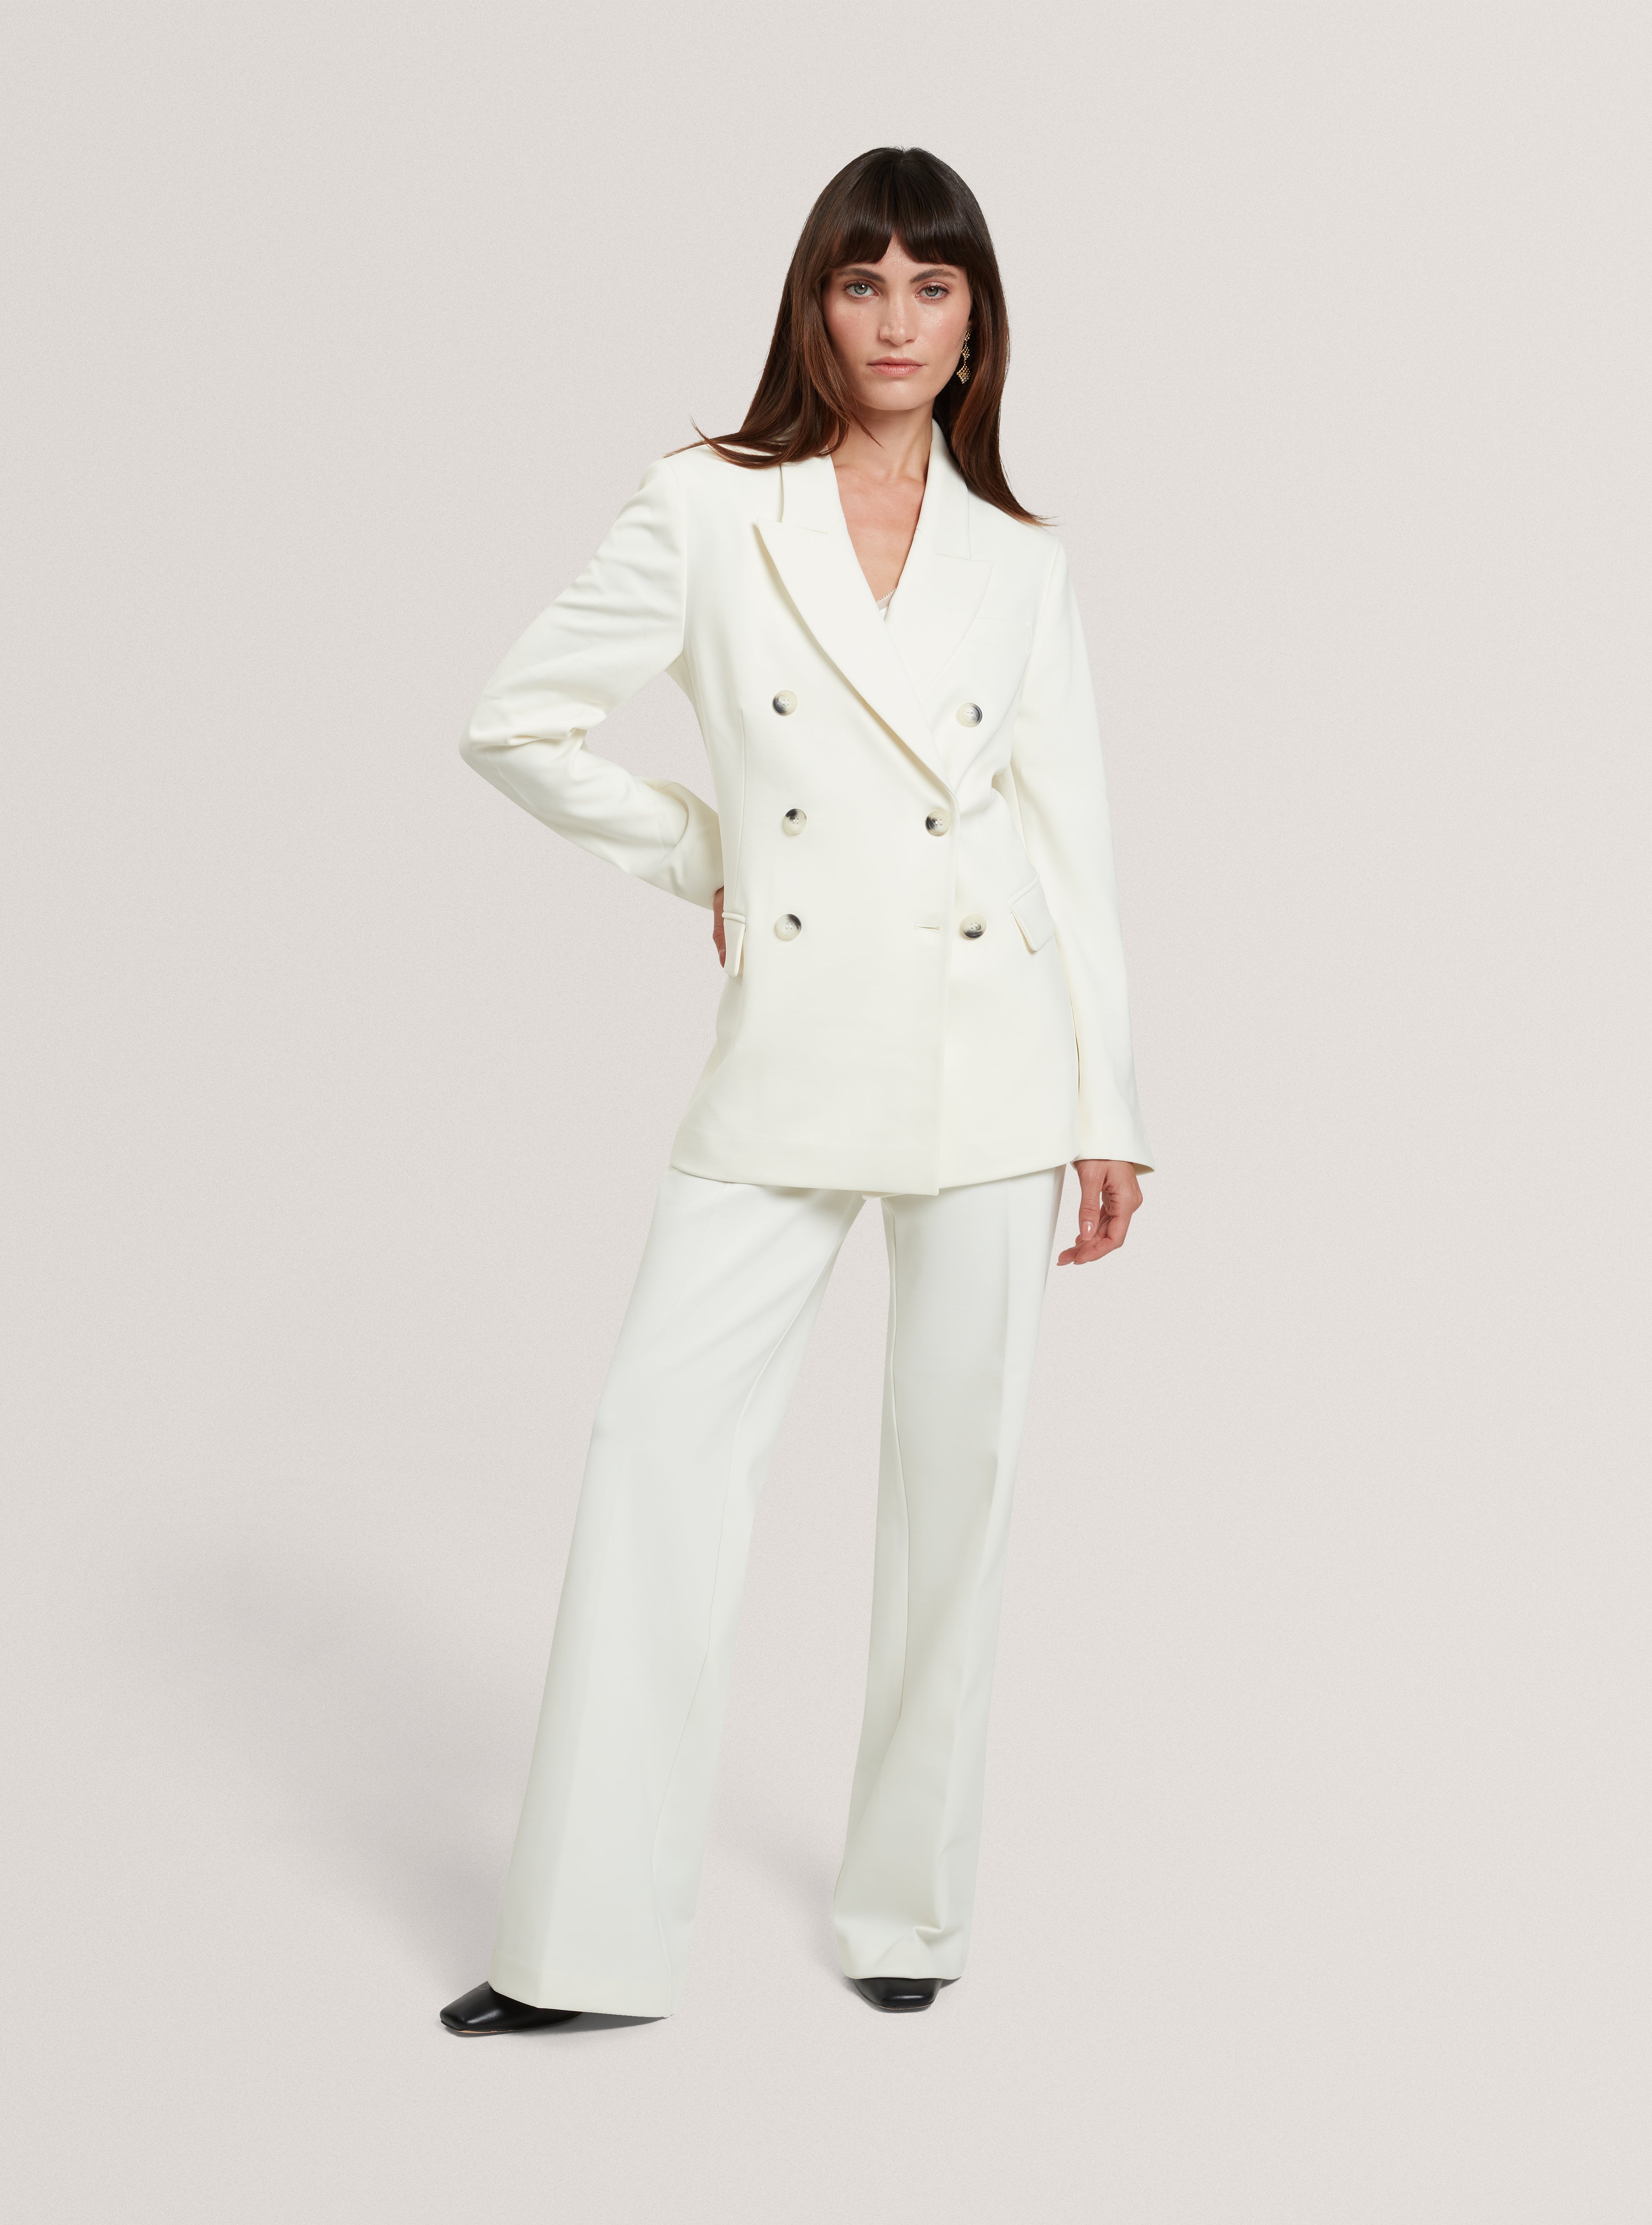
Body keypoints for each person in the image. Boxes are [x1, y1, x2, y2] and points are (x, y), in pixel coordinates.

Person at [441, 145, 1152, 2033]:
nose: (896, 321)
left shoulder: (1024, 563)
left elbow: (1069, 839)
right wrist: (714, 853)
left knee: (958, 1491)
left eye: (933, 286)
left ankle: (910, 1915)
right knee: (655, 1457)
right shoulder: (707, 505)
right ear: (811, 307)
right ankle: (579, 1946)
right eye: (862, 283)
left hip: (999, 1054)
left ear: (978, 322)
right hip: (793, 1047)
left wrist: (1111, 1102)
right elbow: (515, 721)